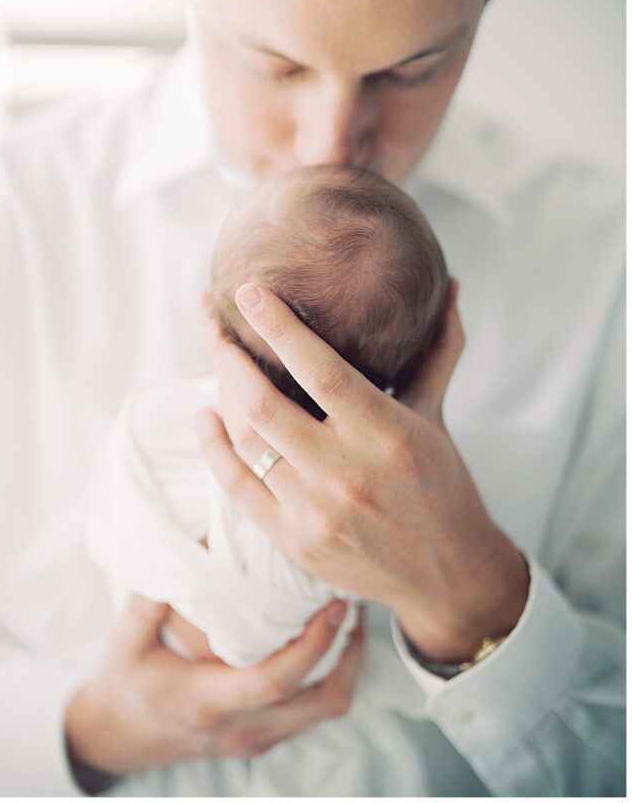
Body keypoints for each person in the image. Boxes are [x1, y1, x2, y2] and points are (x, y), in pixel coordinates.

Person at [0, 0, 624, 797]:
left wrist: (474, 593)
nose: (331, 147)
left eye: (413, 70)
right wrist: (78, 727)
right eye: (272, 64)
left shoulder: (603, 264)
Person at [86, 161, 449, 679]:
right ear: (414, 368)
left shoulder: (165, 417)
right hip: (282, 652)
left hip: (140, 613)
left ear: (216, 321)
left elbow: (116, 477)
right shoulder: (371, 512)